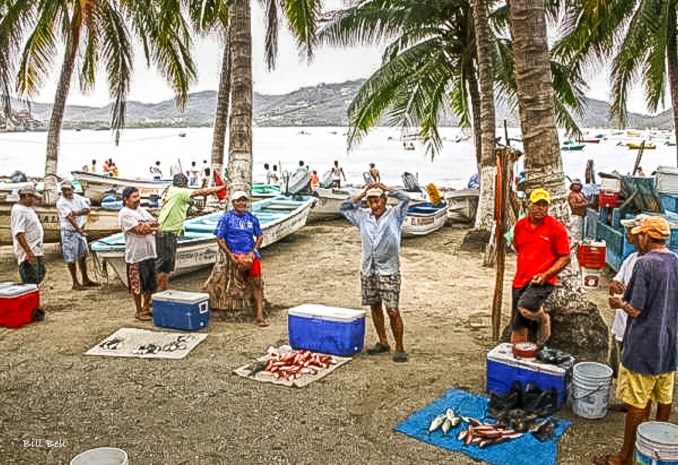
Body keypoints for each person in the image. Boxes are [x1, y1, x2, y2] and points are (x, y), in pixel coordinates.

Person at [595, 216, 678, 465]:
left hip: (643, 345)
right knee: (664, 398)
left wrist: (617, 302)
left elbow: (635, 309)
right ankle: (658, 449)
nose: (635, 239)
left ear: (646, 237)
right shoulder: (675, 261)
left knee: (637, 404)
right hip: (670, 345)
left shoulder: (645, 264)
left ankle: (626, 456)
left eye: (638, 235)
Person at [341, 182, 410, 363]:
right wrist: (363, 192)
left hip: (389, 270)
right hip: (368, 269)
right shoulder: (363, 217)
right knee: (374, 305)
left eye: (377, 201)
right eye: (370, 202)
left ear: (384, 201)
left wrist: (387, 188)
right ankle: (383, 341)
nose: (374, 205)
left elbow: (406, 198)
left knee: (392, 310)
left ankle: (400, 346)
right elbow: (345, 206)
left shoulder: (395, 215)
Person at [510, 188, 571, 346]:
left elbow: (565, 258)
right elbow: (518, 247)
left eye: (544, 205)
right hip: (520, 280)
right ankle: (518, 358)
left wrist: (546, 274)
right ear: (528, 205)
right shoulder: (520, 226)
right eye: (537, 204)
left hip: (542, 281)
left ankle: (543, 318)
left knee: (525, 308)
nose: (540, 208)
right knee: (518, 325)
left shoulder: (556, 228)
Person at [155, 174, 226, 291]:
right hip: (166, 232)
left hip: (168, 232)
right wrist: (221, 187)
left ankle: (163, 290)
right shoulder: (180, 192)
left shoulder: (173, 191)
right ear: (185, 184)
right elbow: (202, 192)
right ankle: (157, 293)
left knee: (166, 267)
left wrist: (204, 190)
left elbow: (198, 204)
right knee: (162, 267)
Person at [213, 190, 266, 326]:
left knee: (257, 283)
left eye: (244, 200)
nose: (242, 203)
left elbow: (259, 236)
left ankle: (259, 316)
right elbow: (219, 238)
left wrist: (253, 251)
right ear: (233, 202)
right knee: (246, 270)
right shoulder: (227, 218)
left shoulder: (251, 218)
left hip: (250, 253)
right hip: (235, 254)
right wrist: (230, 256)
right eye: (239, 200)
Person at [608, 215, 648, 380]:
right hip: (621, 325)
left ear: (642, 235)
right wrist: (614, 286)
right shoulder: (631, 259)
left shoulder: (652, 264)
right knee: (621, 371)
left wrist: (623, 302)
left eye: (630, 229)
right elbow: (615, 283)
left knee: (637, 377)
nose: (626, 233)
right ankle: (625, 404)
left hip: (639, 331)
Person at [118, 187, 159, 321]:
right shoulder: (125, 213)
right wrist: (149, 227)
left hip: (149, 252)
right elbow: (138, 230)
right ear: (126, 199)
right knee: (137, 286)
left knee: (150, 284)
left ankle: (146, 308)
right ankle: (139, 310)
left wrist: (147, 225)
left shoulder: (141, 210)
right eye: (134, 197)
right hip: (136, 255)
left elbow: (155, 222)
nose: (137, 199)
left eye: (138, 196)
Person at [56, 181, 99, 290]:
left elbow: (86, 210)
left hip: (79, 229)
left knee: (82, 255)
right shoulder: (61, 202)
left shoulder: (78, 198)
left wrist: (75, 213)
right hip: (69, 231)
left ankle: (85, 279)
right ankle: (75, 282)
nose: (67, 192)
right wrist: (79, 229)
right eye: (64, 190)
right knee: (70, 258)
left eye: (69, 189)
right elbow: (69, 218)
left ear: (73, 189)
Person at [10, 186, 45, 285]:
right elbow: (19, 233)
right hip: (28, 251)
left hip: (36, 249)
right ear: (26, 196)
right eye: (33, 197)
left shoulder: (27, 208)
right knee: (31, 279)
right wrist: (28, 252)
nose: (35, 199)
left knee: (40, 274)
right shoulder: (18, 210)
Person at [567, 178, 588, 245]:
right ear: (572, 186)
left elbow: (586, 201)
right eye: (575, 185)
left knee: (579, 236)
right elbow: (574, 206)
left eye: (578, 185)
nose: (577, 186)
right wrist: (584, 204)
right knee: (575, 235)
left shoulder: (580, 194)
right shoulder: (572, 195)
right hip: (575, 217)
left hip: (580, 217)